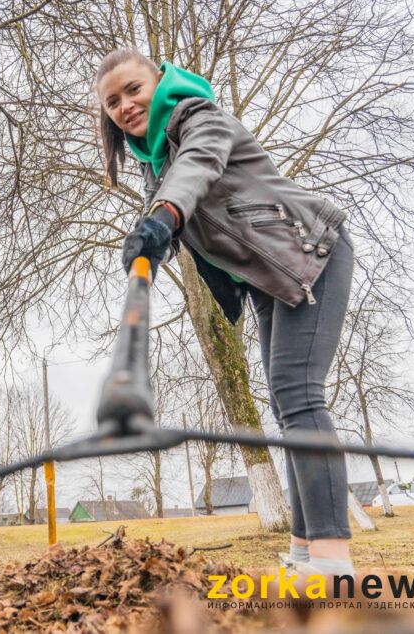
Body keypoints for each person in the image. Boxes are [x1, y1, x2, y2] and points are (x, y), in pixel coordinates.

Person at [96, 48, 356, 577]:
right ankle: (306, 549)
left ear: (160, 82)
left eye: (133, 90)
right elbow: (171, 202)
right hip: (266, 279)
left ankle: (333, 563)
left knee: (299, 394)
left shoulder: (199, 117)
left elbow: (200, 168)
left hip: (311, 251)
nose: (124, 106)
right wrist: (153, 241)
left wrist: (165, 214)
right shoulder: (155, 163)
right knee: (287, 406)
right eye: (112, 102)